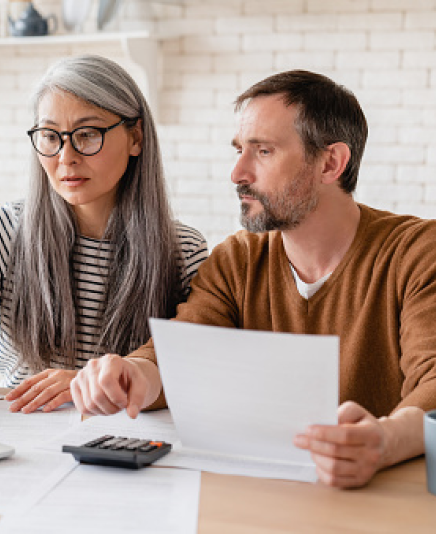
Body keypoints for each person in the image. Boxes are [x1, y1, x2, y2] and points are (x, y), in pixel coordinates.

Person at [70, 69, 436, 489]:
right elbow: (185, 352)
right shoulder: (238, 259)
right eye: (239, 150)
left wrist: (385, 441)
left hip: (386, 500)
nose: (237, 173)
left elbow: (434, 384)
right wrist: (132, 374)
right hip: (269, 494)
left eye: (263, 151)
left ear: (331, 163)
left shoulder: (418, 253)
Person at [0, 55, 207, 413]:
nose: (66, 157)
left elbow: (191, 375)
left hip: (130, 443)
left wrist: (85, 385)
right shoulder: (1, 232)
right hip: (25, 435)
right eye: (50, 136)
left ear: (135, 137)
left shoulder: (183, 250)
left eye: (88, 135)